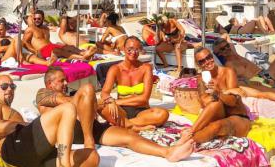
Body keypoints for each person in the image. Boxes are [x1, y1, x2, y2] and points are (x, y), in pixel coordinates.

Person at [36, 67, 193, 161]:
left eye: (65, 80)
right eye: (61, 81)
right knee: (88, 89)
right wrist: (91, 102)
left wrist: (105, 102)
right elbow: (67, 102)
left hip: (92, 128)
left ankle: (168, 152)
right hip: (72, 132)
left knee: (129, 137)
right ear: (49, 84)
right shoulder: (43, 94)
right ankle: (89, 142)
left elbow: (82, 103)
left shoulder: (71, 94)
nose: (66, 83)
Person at [0, 74, 98, 167]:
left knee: (91, 156)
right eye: (4, 86)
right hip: (14, 152)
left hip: (32, 158)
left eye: (12, 86)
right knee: (68, 108)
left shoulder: (10, 111)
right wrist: (25, 125)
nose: (9, 89)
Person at [175, 47, 252, 144]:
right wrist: (223, 93)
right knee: (215, 104)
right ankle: (189, 134)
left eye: (209, 57)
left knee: (216, 126)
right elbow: (205, 103)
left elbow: (232, 101)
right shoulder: (202, 79)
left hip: (237, 116)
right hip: (221, 115)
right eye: (202, 61)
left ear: (212, 56)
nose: (207, 62)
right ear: (198, 65)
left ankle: (186, 140)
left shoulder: (228, 72)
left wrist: (218, 92)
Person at [99, 37, 169, 130]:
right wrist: (109, 100)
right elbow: (104, 92)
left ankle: (125, 124)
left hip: (141, 111)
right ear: (123, 49)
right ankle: (134, 126)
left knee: (163, 114)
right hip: (122, 110)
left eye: (137, 49)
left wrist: (116, 102)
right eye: (130, 49)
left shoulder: (146, 68)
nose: (133, 52)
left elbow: (144, 98)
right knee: (99, 104)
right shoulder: (115, 69)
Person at [23, 10, 96, 62]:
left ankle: (84, 53)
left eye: (39, 19)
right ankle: (82, 58)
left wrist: (56, 44)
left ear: (43, 18)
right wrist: (35, 51)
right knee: (58, 51)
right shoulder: (30, 29)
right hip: (42, 51)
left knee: (69, 47)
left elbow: (46, 41)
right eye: (35, 19)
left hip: (50, 46)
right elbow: (25, 43)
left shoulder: (46, 28)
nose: (36, 20)